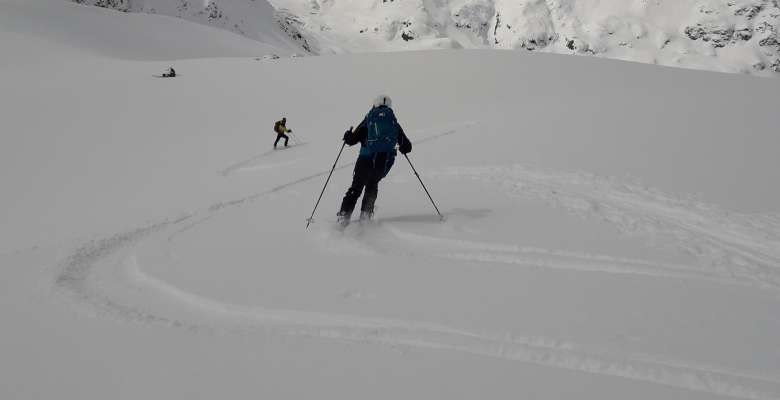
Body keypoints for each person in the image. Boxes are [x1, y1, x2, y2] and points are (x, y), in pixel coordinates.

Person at [337, 95, 412, 226]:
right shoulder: (393, 123)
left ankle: (343, 217)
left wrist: (347, 135)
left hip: (364, 161)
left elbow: (351, 140)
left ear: (374, 104)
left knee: (355, 188)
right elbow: (407, 147)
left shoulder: (368, 120)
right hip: (382, 164)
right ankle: (365, 216)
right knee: (372, 186)